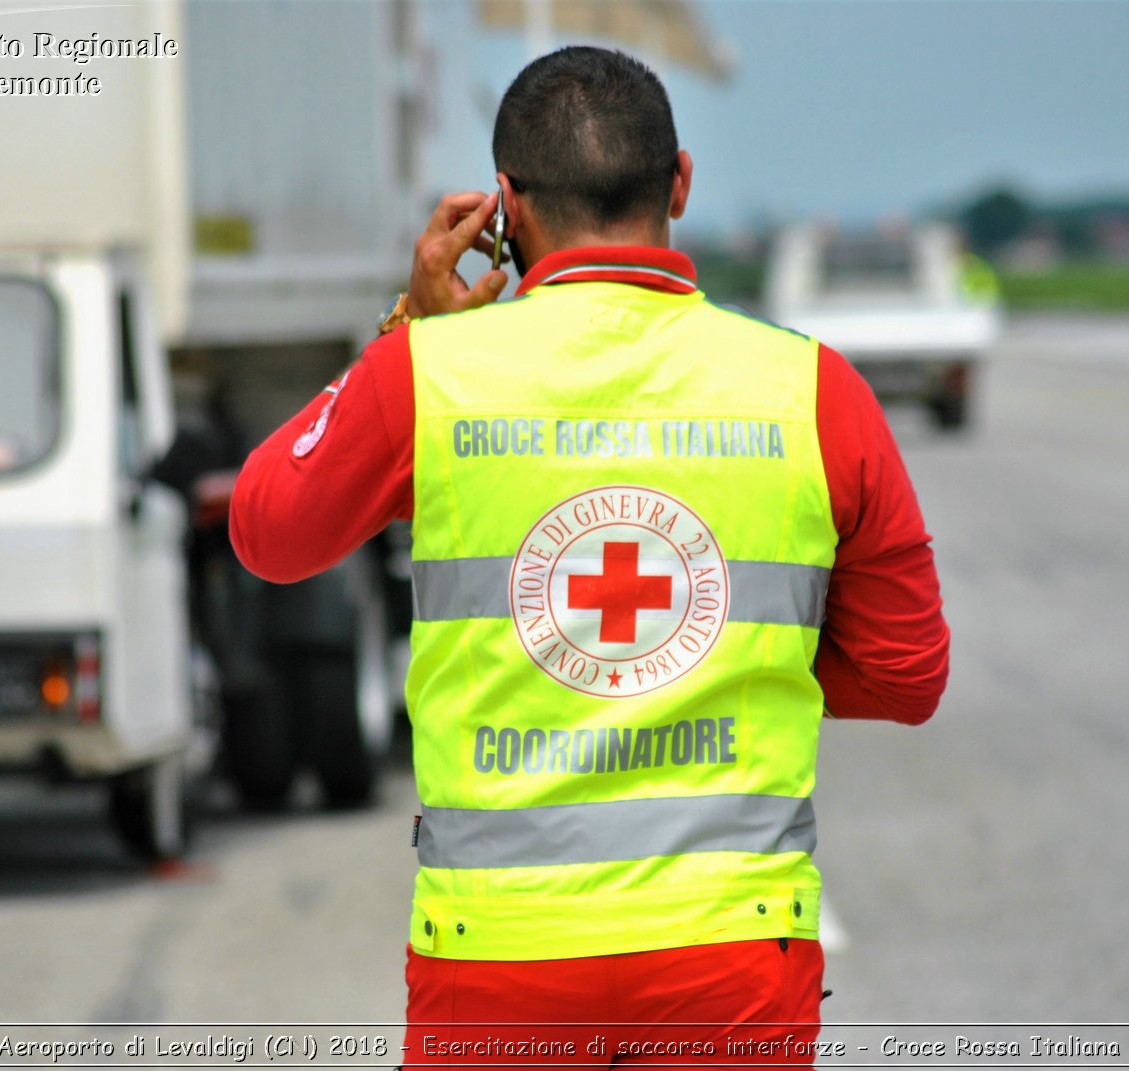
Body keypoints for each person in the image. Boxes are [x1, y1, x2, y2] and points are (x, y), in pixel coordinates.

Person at [231, 45, 948, 1068]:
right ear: (682, 183)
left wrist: (407, 331)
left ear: (503, 207)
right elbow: (906, 675)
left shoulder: (429, 380)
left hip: (498, 956)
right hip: (732, 948)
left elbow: (267, 532)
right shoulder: (814, 392)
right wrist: (716, 660)